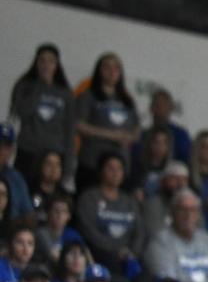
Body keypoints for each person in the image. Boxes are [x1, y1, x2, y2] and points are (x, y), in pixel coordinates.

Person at [8, 44, 76, 186]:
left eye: (51, 61)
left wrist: (68, 166)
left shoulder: (65, 93)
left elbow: (69, 130)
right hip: (28, 150)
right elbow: (22, 113)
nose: (46, 65)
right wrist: (38, 87)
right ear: (36, 63)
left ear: (57, 65)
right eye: (42, 61)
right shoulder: (24, 85)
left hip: (54, 155)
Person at [73, 52, 140, 192]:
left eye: (116, 68)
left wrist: (129, 137)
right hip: (92, 163)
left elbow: (137, 129)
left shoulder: (127, 100)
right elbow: (78, 124)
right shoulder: (88, 96)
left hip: (120, 167)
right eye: (107, 67)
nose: (112, 72)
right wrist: (110, 135)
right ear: (99, 70)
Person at [74, 151, 144, 277]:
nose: (115, 173)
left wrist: (131, 253)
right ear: (101, 171)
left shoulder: (130, 202)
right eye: (110, 168)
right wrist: (115, 251)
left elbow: (139, 233)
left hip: (127, 257)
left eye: (119, 169)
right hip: (99, 255)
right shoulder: (89, 198)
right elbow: (89, 231)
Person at [0, 124, 35, 223]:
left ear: (11, 150)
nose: (1, 150)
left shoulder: (16, 178)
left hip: (10, 232)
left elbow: (29, 214)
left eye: (6, 146)